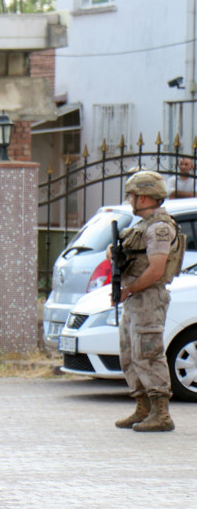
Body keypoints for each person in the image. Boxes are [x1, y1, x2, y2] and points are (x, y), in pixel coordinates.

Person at [111, 171, 184, 432]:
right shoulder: (142, 226)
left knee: (148, 353)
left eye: (131, 195)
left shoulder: (159, 228)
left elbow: (155, 269)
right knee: (130, 353)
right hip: (136, 299)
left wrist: (128, 289)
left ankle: (161, 413)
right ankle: (143, 407)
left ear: (143, 197)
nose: (129, 200)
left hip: (149, 297)